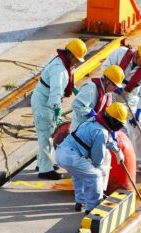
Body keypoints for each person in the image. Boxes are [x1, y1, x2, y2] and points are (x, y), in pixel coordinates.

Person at [56, 102, 128, 213]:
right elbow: (97, 158)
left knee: (78, 174)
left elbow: (106, 140)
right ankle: (92, 208)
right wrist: (98, 168)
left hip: (62, 152)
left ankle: (80, 201)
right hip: (71, 157)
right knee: (95, 175)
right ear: (114, 121)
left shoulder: (95, 120)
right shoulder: (101, 132)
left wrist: (117, 151)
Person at [31, 39, 87, 180]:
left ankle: (44, 162)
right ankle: (45, 170)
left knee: (48, 134)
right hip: (45, 103)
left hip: (45, 100)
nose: (77, 62)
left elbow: (66, 83)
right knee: (45, 135)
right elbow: (55, 93)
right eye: (76, 59)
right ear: (70, 55)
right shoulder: (59, 69)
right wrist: (57, 111)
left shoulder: (63, 63)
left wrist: (74, 89)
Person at [102, 42, 141, 175]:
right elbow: (105, 67)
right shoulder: (120, 53)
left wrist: (139, 111)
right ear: (136, 54)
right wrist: (114, 84)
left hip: (129, 98)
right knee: (102, 125)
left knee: (139, 128)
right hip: (110, 92)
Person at [69, 65, 124, 131]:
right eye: (115, 85)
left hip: (92, 129)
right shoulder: (91, 88)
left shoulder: (108, 95)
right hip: (79, 128)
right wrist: (89, 112)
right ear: (107, 81)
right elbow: (76, 104)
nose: (115, 88)